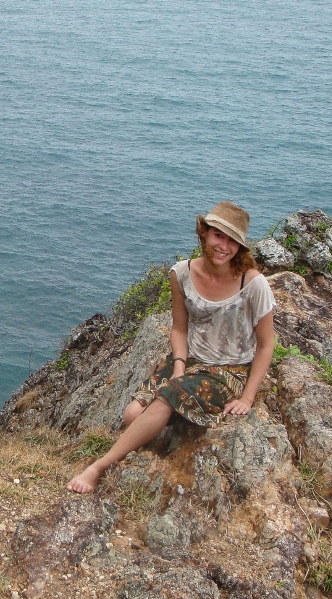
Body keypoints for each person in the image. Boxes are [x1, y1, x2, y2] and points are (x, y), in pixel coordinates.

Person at [67, 201, 276, 494]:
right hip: (190, 360)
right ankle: (169, 424)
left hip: (229, 369)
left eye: (232, 241)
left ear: (241, 247)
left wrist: (248, 397)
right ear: (204, 233)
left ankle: (99, 467)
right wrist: (179, 365)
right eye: (218, 235)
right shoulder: (182, 273)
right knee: (131, 414)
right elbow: (179, 328)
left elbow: (267, 345)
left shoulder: (253, 284)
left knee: (167, 396)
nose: (223, 246)